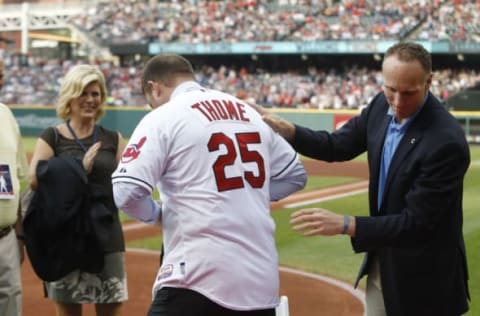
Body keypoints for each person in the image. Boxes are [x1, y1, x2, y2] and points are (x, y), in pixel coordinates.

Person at [253, 42, 470, 316]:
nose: (398, 102)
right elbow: (337, 145)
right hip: (384, 265)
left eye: (409, 92)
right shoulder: (381, 105)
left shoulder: (445, 141)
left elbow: (417, 223)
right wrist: (289, 131)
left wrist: (346, 224)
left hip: (426, 282)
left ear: (429, 82)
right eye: (391, 89)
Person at [111, 54, 307, 316]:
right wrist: (246, 195)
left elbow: (125, 192)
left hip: (195, 274)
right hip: (261, 280)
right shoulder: (247, 110)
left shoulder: (164, 115)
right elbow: (295, 175)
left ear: (154, 88)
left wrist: (157, 214)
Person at [28, 64, 127, 316]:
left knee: (110, 308)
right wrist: (77, 168)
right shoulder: (53, 137)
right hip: (66, 237)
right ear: (70, 96)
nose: (90, 100)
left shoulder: (113, 139)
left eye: (95, 94)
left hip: (107, 236)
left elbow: (130, 180)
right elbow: (34, 179)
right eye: (83, 93)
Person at [0, 56, 29, 316]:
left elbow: (16, 179)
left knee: (11, 305)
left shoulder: (6, 115)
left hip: (5, 237)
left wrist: (19, 236)